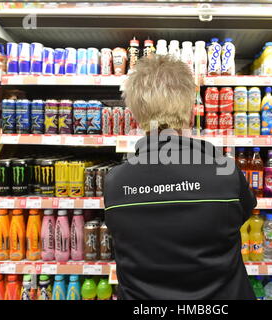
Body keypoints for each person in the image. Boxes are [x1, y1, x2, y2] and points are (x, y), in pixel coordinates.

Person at [104, 55, 256, 299]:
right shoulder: (225, 171)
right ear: (189, 111)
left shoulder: (114, 182)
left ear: (135, 115)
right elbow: (243, 214)